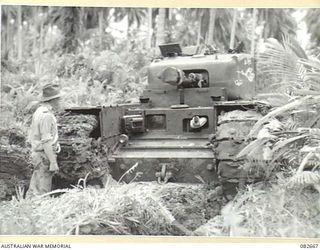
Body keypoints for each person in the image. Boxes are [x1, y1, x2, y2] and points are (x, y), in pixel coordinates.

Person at [26, 83, 62, 197]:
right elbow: (45, 141)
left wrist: (56, 144)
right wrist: (53, 161)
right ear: (53, 100)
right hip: (44, 155)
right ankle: (39, 209)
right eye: (58, 99)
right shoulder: (46, 115)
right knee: (42, 191)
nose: (60, 101)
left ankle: (28, 208)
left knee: (35, 187)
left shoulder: (39, 111)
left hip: (39, 154)